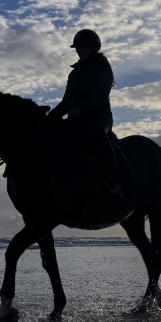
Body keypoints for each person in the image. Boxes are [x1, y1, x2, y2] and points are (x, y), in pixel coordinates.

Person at [47, 29, 122, 198]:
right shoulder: (74, 74)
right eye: (77, 47)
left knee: (96, 133)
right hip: (77, 119)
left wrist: (81, 109)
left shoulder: (102, 67)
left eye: (83, 46)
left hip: (100, 118)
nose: (80, 50)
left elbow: (101, 97)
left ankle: (114, 180)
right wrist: (50, 118)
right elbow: (66, 102)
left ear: (93, 47)